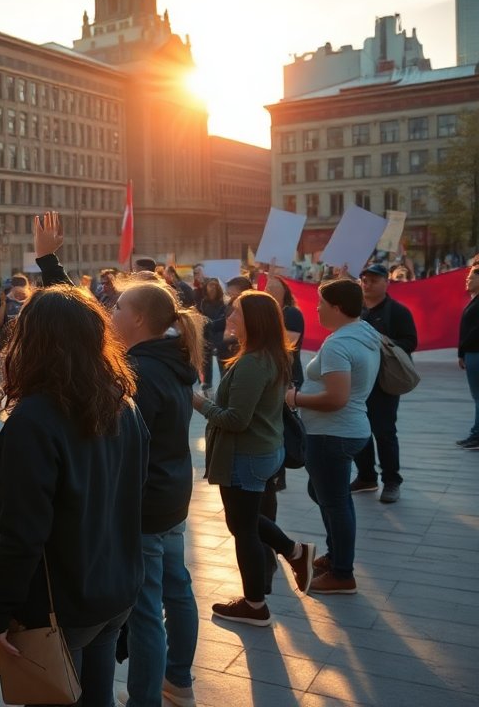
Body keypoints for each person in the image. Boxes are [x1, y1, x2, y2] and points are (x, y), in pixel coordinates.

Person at [0, 224, 147, 706]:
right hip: (115, 587)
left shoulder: (33, 420)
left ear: (32, 342)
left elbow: (22, 532)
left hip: (63, 602)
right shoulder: (122, 401)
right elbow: (115, 487)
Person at [194, 291, 315, 626]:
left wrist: (199, 403)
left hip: (247, 453)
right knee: (244, 522)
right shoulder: (270, 354)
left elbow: (236, 420)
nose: (229, 317)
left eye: (236, 312)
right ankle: (294, 552)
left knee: (243, 529)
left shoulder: (252, 362)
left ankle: (255, 604)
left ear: (254, 321)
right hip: (263, 449)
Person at [110, 281, 202, 707]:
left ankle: (145, 699)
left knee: (146, 609)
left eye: (119, 306)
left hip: (147, 502)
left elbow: (129, 448)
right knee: (177, 588)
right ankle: (178, 680)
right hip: (172, 493)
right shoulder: (171, 359)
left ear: (139, 318)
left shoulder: (140, 371)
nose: (112, 312)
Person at [285, 279, 381, 595]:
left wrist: (295, 398)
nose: (316, 309)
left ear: (336, 308)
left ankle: (342, 573)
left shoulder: (339, 344)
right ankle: (336, 555)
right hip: (347, 429)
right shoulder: (364, 332)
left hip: (332, 433)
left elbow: (336, 398)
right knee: (325, 493)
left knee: (336, 502)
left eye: (321, 304)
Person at [352, 264, 417, 503]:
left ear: (386, 283)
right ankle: (366, 477)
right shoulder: (355, 310)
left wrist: (383, 343)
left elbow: (410, 342)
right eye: (365, 280)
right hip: (357, 381)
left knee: (384, 432)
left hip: (384, 382)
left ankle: (391, 481)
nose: (367, 284)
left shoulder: (397, 311)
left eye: (374, 280)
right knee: (359, 430)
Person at [457, 265, 479, 449]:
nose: (467, 279)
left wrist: (463, 349)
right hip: (471, 352)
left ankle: (477, 435)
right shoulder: (475, 300)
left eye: (471, 277)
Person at [197, 279, 227, 396]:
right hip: (206, 334)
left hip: (219, 335)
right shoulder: (204, 302)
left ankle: (225, 388)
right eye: (210, 285)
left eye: (214, 285)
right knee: (206, 362)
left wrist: (209, 323)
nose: (212, 288)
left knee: (222, 363)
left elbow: (223, 320)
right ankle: (207, 386)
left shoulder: (223, 302)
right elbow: (201, 316)